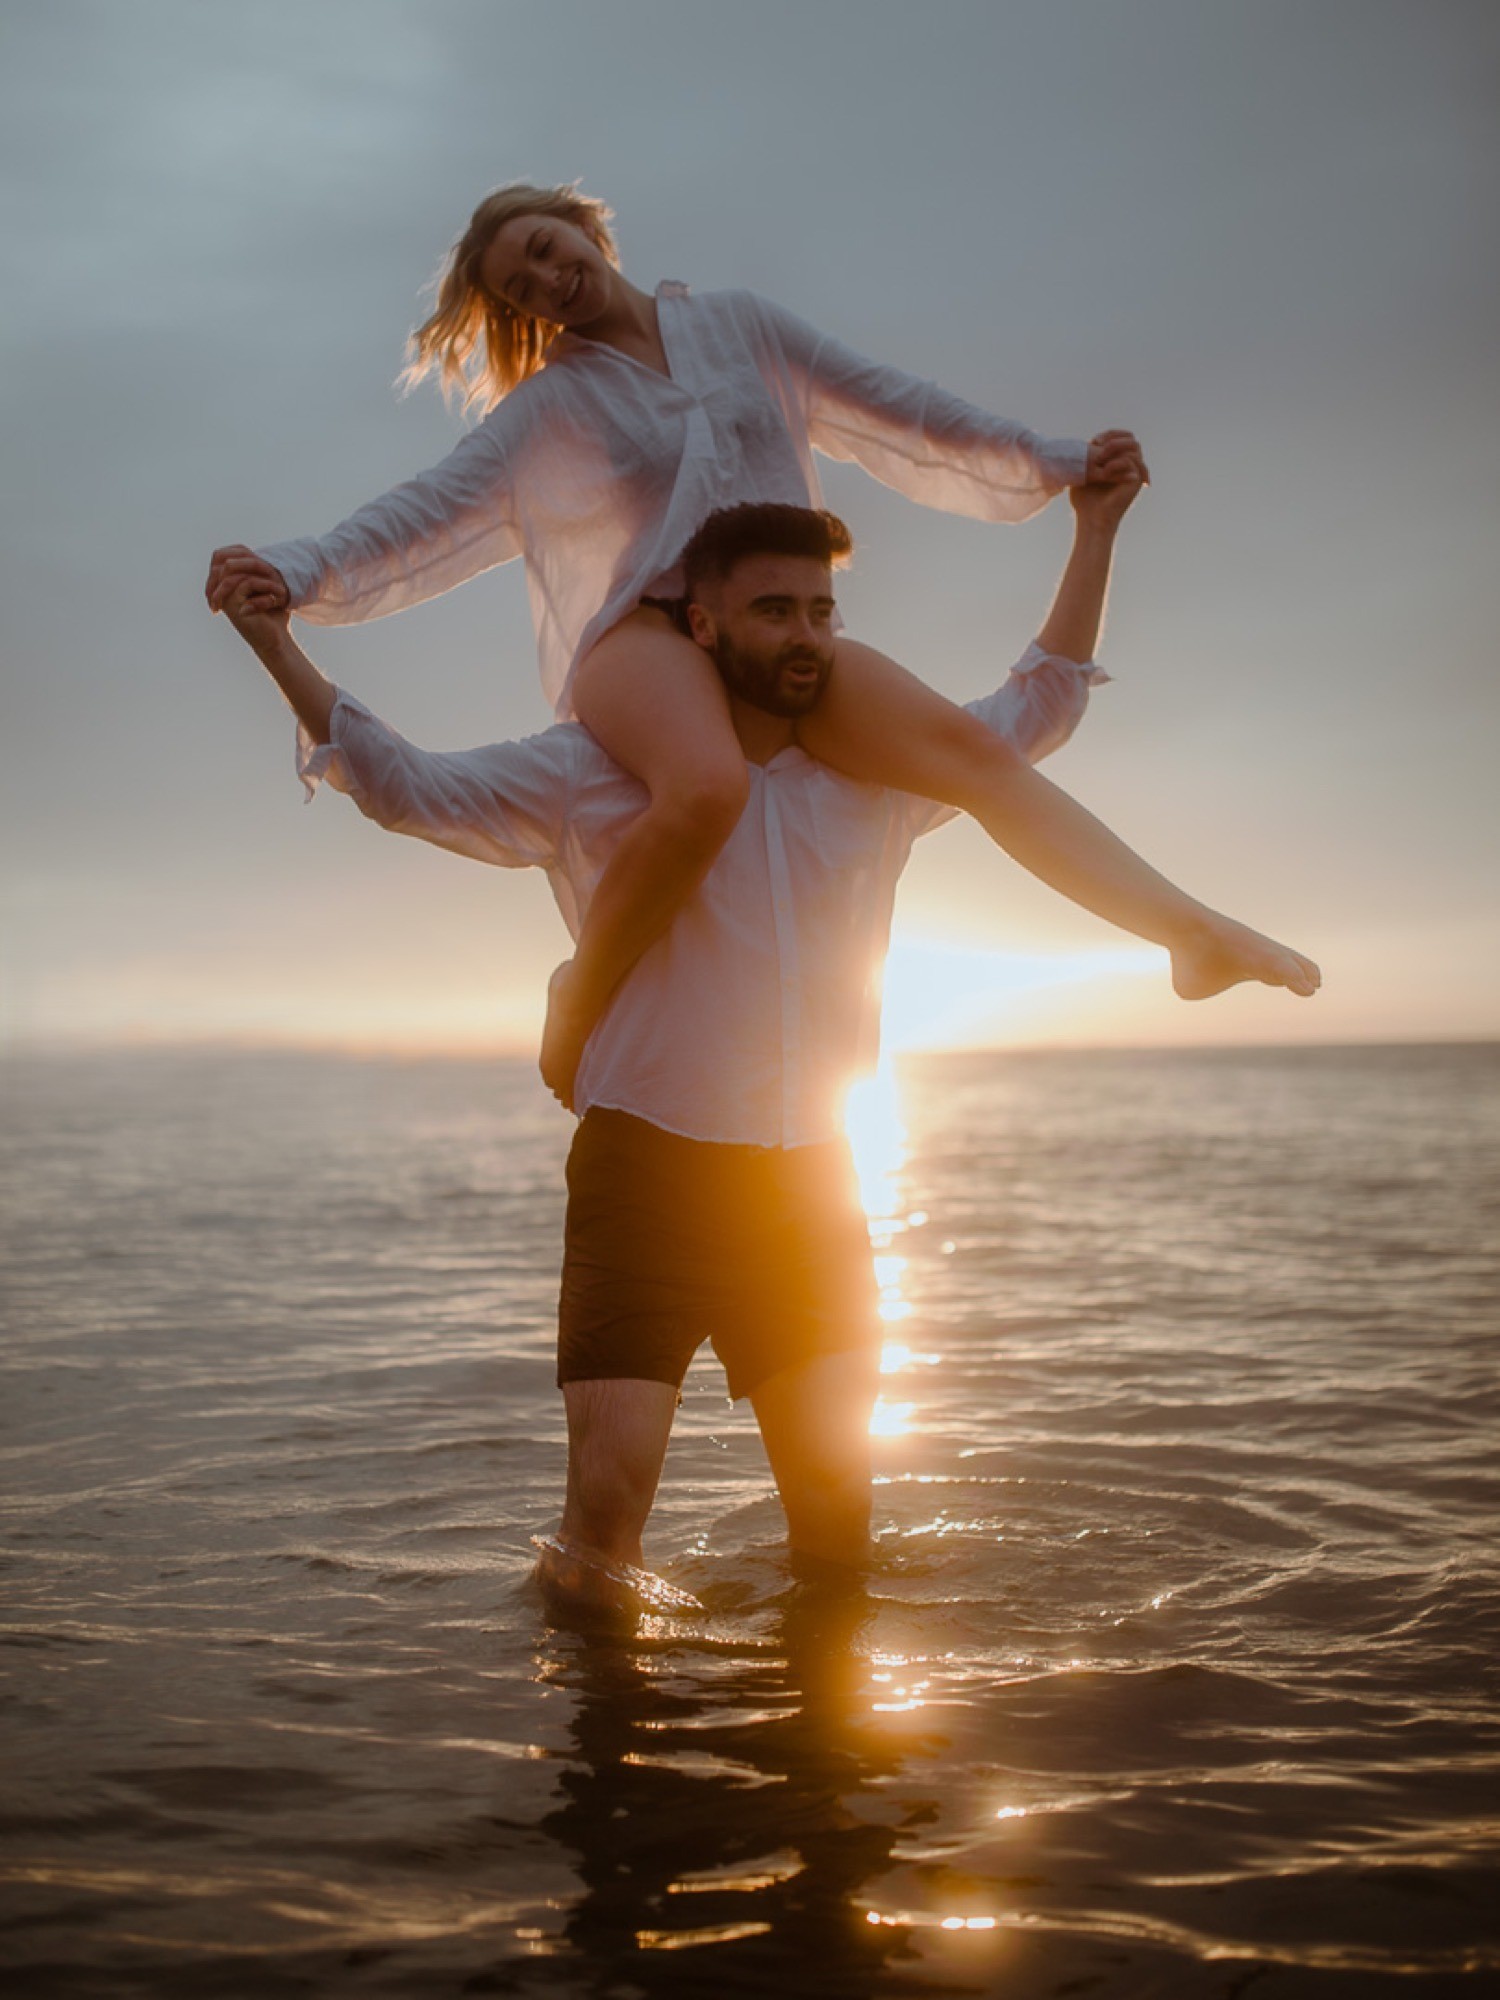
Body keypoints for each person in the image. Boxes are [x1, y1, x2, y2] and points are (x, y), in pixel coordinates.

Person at [218, 482, 1318, 1617]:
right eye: (775, 611)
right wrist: (274, 641)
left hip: (810, 1181)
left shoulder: (881, 785)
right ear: (702, 625)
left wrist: (1094, 531)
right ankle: (598, 1757)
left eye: (822, 612)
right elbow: (409, 786)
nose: (805, 637)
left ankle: (817, 1763)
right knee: (608, 1505)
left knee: (840, 1515)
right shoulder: (594, 776)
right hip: (645, 1169)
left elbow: (1033, 715)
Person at [204, 178, 1150, 1108]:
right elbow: (429, 512)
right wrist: (296, 571)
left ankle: (1186, 934)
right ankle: (584, 991)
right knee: (706, 787)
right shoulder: (553, 406)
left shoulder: (743, 325)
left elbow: (901, 408)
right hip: (653, 642)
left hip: (780, 623)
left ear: (582, 224)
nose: (546, 283)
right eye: (519, 291)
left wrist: (1059, 464)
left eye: (543, 250)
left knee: (978, 757)